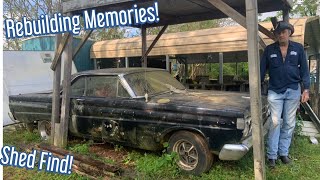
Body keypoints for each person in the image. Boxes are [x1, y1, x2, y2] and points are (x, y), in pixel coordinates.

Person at [260, 21, 310, 168]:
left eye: (284, 31)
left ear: (289, 32)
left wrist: (306, 89)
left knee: (289, 123)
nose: (281, 34)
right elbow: (261, 70)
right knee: (275, 122)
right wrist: (257, 88)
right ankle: (272, 156)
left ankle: (283, 153)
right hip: (275, 91)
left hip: (293, 90)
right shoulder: (269, 50)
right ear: (276, 35)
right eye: (278, 32)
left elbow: (305, 71)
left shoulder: (298, 49)